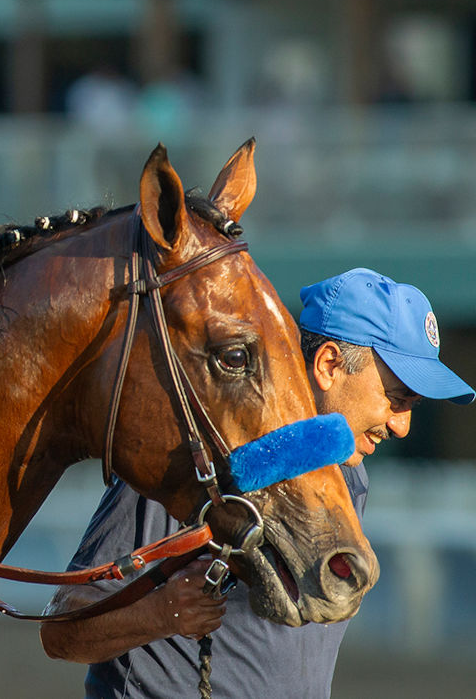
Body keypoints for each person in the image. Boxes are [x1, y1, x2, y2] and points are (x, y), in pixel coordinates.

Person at [40, 268, 474, 699]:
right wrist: (162, 612)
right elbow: (60, 629)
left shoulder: (351, 476)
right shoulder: (205, 464)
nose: (402, 426)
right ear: (329, 365)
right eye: (397, 399)